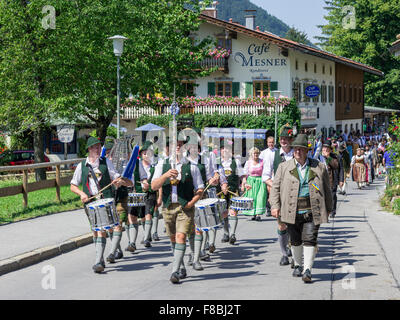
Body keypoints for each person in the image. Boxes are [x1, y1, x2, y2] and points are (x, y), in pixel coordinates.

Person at [269, 134, 333, 283]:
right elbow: (275, 189)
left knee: (310, 239)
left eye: (301, 149)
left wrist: (329, 207)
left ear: (307, 151)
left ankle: (307, 270)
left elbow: (327, 189)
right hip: (291, 209)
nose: (298, 152)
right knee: (296, 240)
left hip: (312, 210)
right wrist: (275, 206)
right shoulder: (284, 167)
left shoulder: (319, 167)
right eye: (295, 149)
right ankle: (298, 265)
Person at [70, 136, 133, 273]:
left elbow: (114, 176)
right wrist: (81, 194)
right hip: (90, 201)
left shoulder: (105, 162)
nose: (99, 149)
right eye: (96, 147)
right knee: (95, 229)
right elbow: (73, 185)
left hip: (105, 200)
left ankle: (98, 261)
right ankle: (101, 257)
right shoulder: (82, 165)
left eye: (99, 146)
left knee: (102, 229)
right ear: (89, 149)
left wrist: (118, 181)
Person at [151, 137, 204, 284]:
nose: (177, 148)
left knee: (181, 237)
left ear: (184, 148)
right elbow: (154, 186)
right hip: (168, 207)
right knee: (173, 238)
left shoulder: (191, 166)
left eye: (180, 145)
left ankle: (174, 271)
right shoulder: (162, 165)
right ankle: (181, 267)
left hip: (184, 208)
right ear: (168, 148)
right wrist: (165, 175)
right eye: (174, 145)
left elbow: (200, 189)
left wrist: (191, 203)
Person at [262, 124, 295, 266]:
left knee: (294, 225)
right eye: (281, 138)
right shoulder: (272, 155)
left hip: (295, 193)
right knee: (282, 225)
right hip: (279, 194)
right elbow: (265, 176)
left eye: (286, 138)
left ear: (291, 140)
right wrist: (275, 187)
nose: (283, 140)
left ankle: (294, 253)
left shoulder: (297, 153)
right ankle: (284, 254)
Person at [216, 140, 245, 245]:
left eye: (227, 148)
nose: (225, 150)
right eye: (223, 148)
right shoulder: (217, 162)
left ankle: (232, 234)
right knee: (223, 213)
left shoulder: (235, 161)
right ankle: (226, 233)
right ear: (220, 150)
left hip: (233, 190)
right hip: (220, 192)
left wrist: (244, 183)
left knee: (233, 211)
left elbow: (242, 175)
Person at [318, 140, 342, 218]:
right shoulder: (318, 156)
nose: (325, 150)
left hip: (331, 180)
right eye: (324, 148)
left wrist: (328, 157)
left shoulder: (334, 156)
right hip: (321, 180)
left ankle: (332, 210)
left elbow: (336, 166)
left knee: (332, 195)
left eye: (327, 149)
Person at [241, 147, 267, 221]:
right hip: (251, 181)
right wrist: (244, 184)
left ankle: (258, 214)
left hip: (260, 181)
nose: (256, 154)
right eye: (254, 153)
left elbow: (266, 172)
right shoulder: (248, 162)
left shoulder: (262, 161)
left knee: (260, 197)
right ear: (251, 154)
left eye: (257, 153)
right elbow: (244, 174)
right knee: (252, 197)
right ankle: (253, 213)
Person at [260, 136, 277, 216]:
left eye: (272, 142)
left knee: (272, 190)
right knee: (268, 190)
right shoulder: (263, 153)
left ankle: (271, 207)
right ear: (267, 143)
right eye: (269, 142)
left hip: (274, 173)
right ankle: (268, 207)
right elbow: (260, 163)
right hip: (266, 173)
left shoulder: (277, 151)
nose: (271, 144)